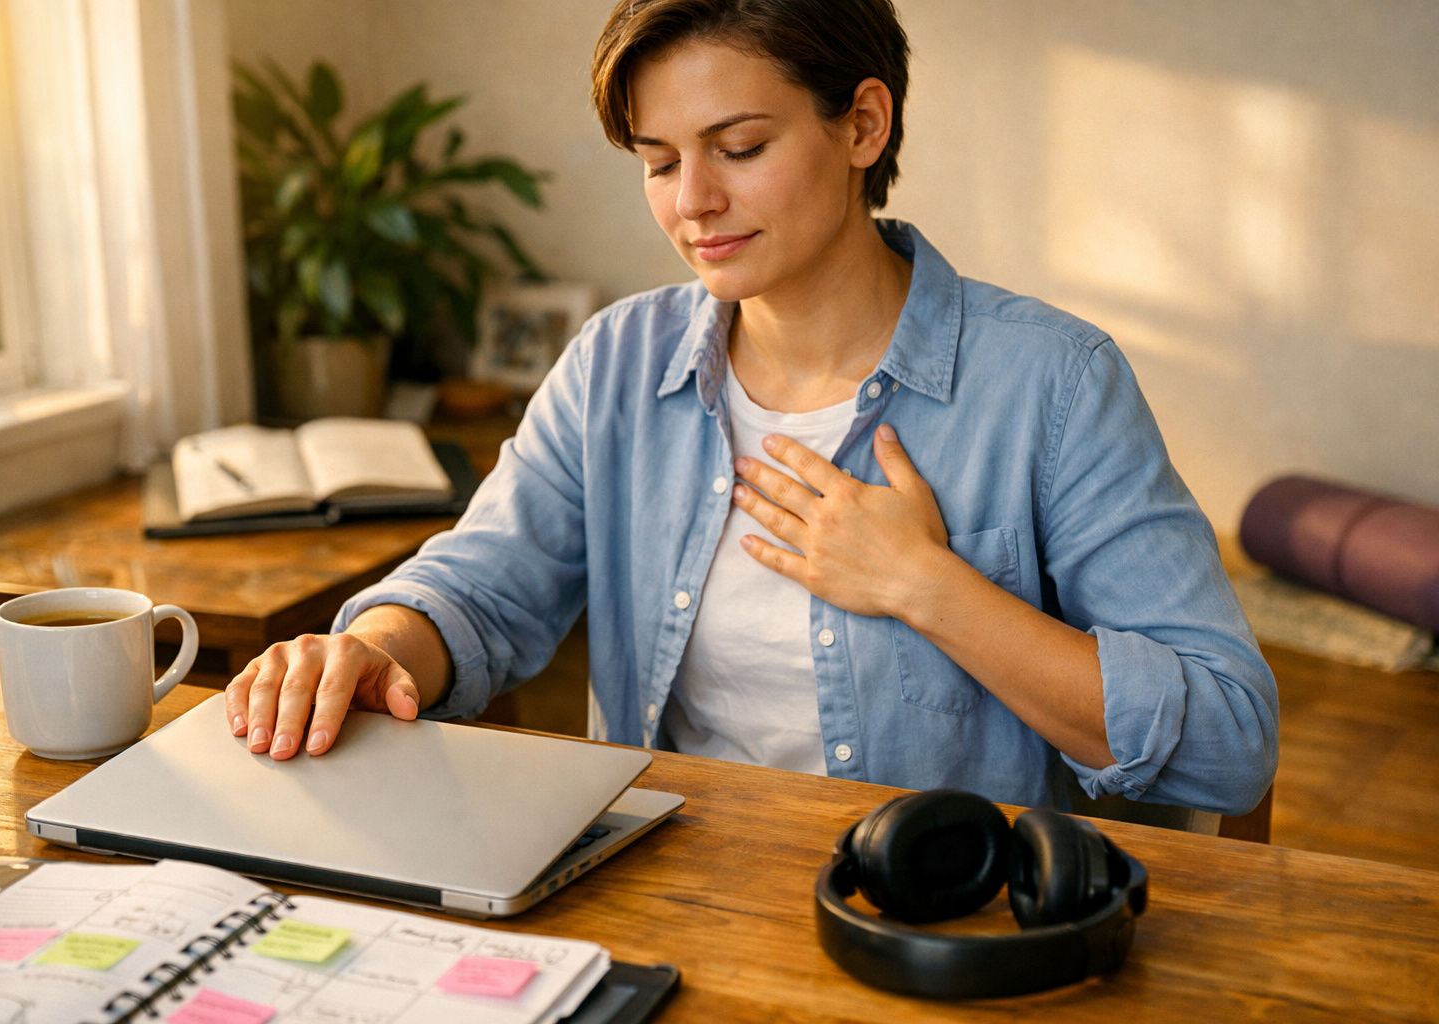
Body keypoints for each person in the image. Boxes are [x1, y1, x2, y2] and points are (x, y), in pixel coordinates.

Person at [224, 0, 1277, 816]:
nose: (693, 203)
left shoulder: (1051, 384)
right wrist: (375, 647)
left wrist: (929, 586)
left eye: (739, 149)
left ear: (863, 124)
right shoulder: (617, 363)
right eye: (659, 162)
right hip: (668, 895)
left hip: (937, 929)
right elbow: (483, 588)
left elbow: (1230, 740)